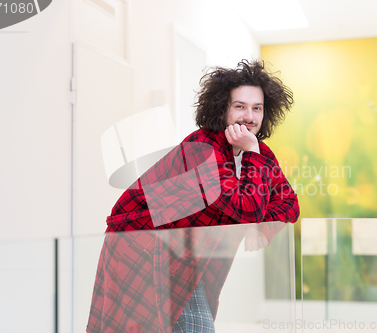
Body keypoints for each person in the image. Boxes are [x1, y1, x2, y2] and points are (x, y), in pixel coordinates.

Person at [87, 59, 300, 333]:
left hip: (188, 255)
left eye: (256, 108)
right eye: (240, 106)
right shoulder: (202, 148)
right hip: (144, 246)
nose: (249, 116)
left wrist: (260, 229)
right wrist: (251, 157)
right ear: (222, 108)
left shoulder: (259, 153)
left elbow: (289, 205)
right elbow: (245, 207)